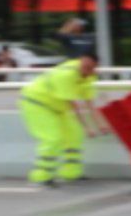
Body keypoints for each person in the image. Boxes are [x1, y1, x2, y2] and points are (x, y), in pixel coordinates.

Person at [17, 52, 98, 185]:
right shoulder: (66, 75)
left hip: (57, 107)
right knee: (53, 138)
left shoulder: (89, 76)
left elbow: (89, 102)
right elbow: (73, 105)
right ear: (80, 62)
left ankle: (71, 173)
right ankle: (42, 176)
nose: (87, 70)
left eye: (91, 68)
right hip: (38, 104)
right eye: (85, 66)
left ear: (96, 67)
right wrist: (87, 127)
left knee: (75, 135)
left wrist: (99, 125)